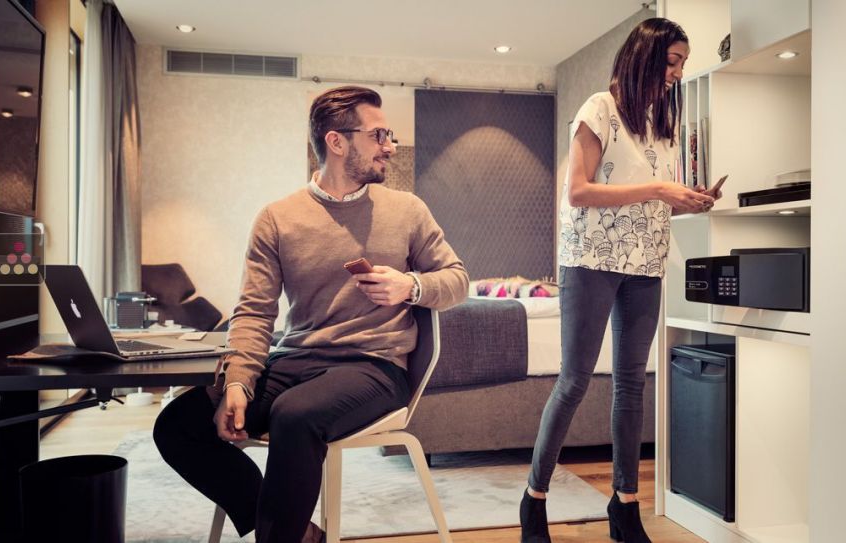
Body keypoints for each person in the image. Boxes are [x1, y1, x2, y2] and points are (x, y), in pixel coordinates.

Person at [153, 86, 468, 543]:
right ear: (337, 142)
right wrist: (239, 380)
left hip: (374, 367)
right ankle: (296, 531)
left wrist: (410, 286)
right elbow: (255, 311)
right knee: (177, 425)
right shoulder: (278, 219)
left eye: (389, 134)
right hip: (295, 360)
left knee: (295, 416)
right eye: (379, 134)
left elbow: (457, 279)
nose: (390, 146)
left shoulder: (407, 211)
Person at [519, 18, 720, 543]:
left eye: (681, 64)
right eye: (671, 62)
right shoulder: (598, 109)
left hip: (646, 262)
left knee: (631, 385)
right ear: (644, 57)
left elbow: (653, 200)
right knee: (575, 381)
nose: (676, 73)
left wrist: (685, 200)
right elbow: (579, 192)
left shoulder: (664, 123)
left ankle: (624, 506)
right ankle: (534, 498)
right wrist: (659, 187)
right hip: (591, 259)